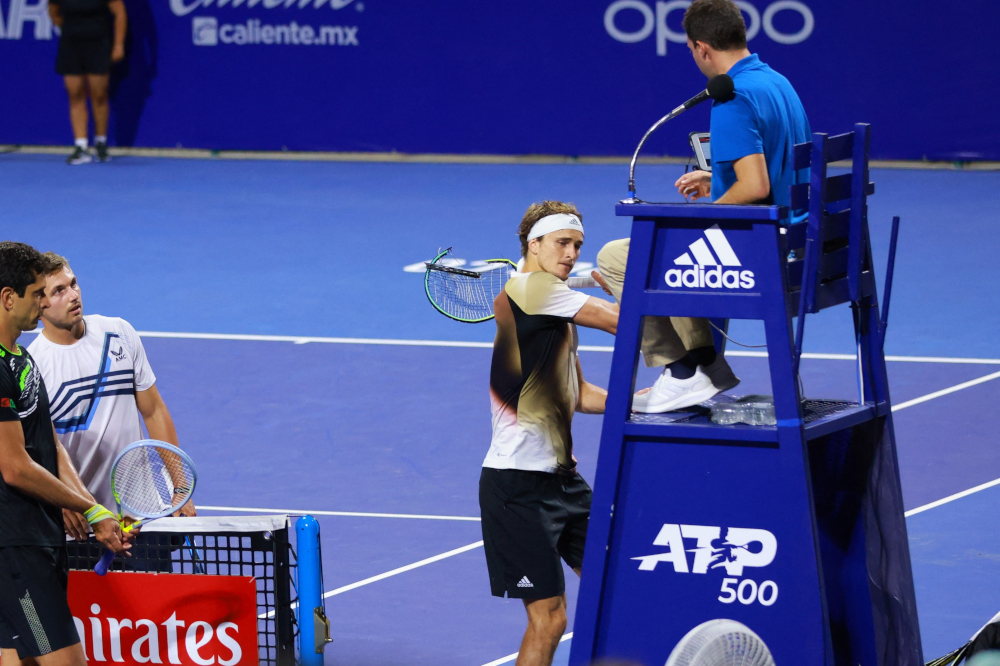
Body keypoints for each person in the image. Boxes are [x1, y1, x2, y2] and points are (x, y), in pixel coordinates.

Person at [596, 0, 811, 414]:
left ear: (701, 48)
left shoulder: (731, 96)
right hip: (800, 244)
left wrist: (698, 216)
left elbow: (755, 186)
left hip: (764, 256)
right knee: (677, 244)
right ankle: (706, 366)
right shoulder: (778, 83)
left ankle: (683, 371)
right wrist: (718, 180)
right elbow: (776, 170)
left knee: (620, 257)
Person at [479, 201, 618, 666]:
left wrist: (647, 401)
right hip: (515, 485)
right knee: (551, 617)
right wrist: (654, 293)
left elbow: (580, 395)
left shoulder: (546, 302)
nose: (572, 253)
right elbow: (619, 321)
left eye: (578, 245)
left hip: (562, 482)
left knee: (613, 581)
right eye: (563, 243)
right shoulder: (531, 289)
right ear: (533, 245)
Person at [0, 242, 128, 666]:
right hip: (14, 550)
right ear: (7, 297)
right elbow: (16, 468)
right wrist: (91, 510)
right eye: (38, 293)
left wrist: (91, 509)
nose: (46, 303)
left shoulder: (20, 358)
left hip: (36, 540)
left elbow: (49, 443)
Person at [27, 253, 195, 539]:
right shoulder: (33, 367)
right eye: (59, 291)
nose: (73, 295)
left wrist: (180, 487)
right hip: (80, 526)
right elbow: (35, 452)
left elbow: (153, 411)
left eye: (73, 284)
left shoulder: (118, 333)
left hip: (141, 517)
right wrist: (64, 502)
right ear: (39, 305)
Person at [48, 0, 127, 164]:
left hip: (99, 44)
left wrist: (118, 44)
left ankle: (100, 143)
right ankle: (81, 146)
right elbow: (54, 13)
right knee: (75, 94)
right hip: (70, 46)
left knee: (99, 95)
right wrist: (71, 31)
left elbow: (120, 13)